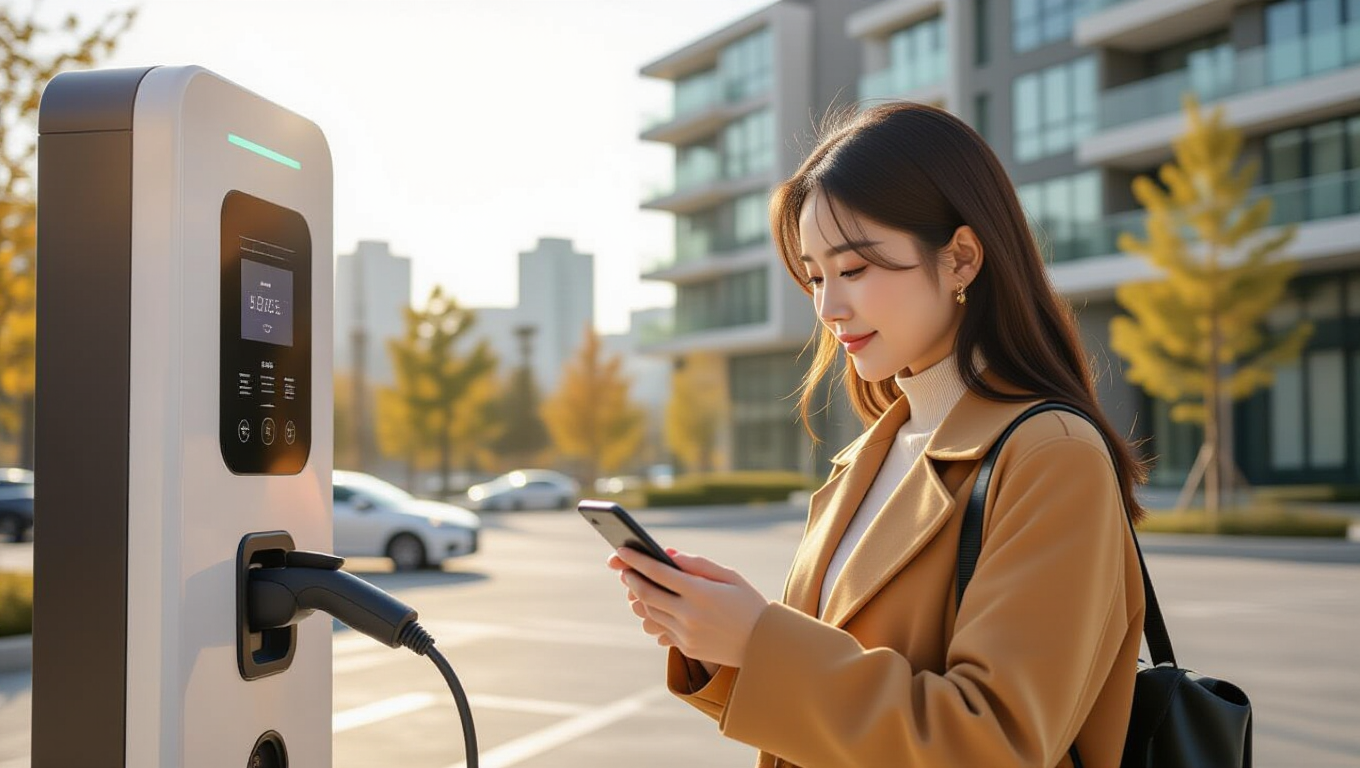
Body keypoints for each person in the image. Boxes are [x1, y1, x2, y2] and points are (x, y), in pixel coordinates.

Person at [608, 102, 1150, 768]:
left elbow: (993, 745)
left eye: (855, 269)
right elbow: (826, 713)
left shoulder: (1050, 455)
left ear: (960, 259)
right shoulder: (868, 457)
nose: (829, 307)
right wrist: (719, 641)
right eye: (814, 275)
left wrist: (758, 640)